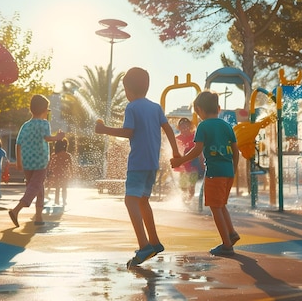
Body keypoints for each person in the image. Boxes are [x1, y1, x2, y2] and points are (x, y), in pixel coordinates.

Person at [95, 67, 180, 268]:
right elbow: (168, 128)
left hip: (138, 163)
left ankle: (144, 246)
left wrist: (104, 129)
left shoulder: (132, 107)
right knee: (143, 201)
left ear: (128, 89)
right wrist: (175, 152)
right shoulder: (155, 107)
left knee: (129, 200)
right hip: (152, 163)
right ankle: (155, 241)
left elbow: (128, 132)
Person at [170, 90, 240, 256]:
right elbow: (236, 152)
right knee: (221, 204)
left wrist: (180, 160)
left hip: (214, 172)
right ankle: (231, 233)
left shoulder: (203, 126)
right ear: (218, 108)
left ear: (200, 110)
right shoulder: (227, 126)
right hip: (228, 172)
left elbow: (197, 150)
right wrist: (234, 170)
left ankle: (226, 245)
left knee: (215, 208)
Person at [8, 94, 65, 227]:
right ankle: (16, 210)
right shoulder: (44, 123)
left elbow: (18, 143)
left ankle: (39, 217)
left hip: (27, 162)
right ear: (45, 110)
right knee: (34, 187)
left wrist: (18, 162)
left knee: (37, 188)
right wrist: (58, 137)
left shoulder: (25, 125)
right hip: (40, 162)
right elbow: (47, 138)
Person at [174, 117, 203, 203]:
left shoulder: (194, 136)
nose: (184, 129)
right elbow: (176, 152)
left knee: (191, 186)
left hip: (194, 165)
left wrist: (201, 162)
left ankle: (188, 202)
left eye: (186, 127)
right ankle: (184, 202)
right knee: (183, 187)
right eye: (182, 127)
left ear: (190, 127)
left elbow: (199, 150)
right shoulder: (178, 138)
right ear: (179, 128)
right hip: (183, 166)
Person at [46, 138, 74, 206]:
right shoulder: (68, 155)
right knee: (64, 188)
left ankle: (56, 201)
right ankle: (64, 201)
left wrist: (48, 173)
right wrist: (72, 173)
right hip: (65, 174)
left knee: (57, 188)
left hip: (56, 174)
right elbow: (70, 165)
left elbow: (50, 165)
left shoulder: (54, 155)